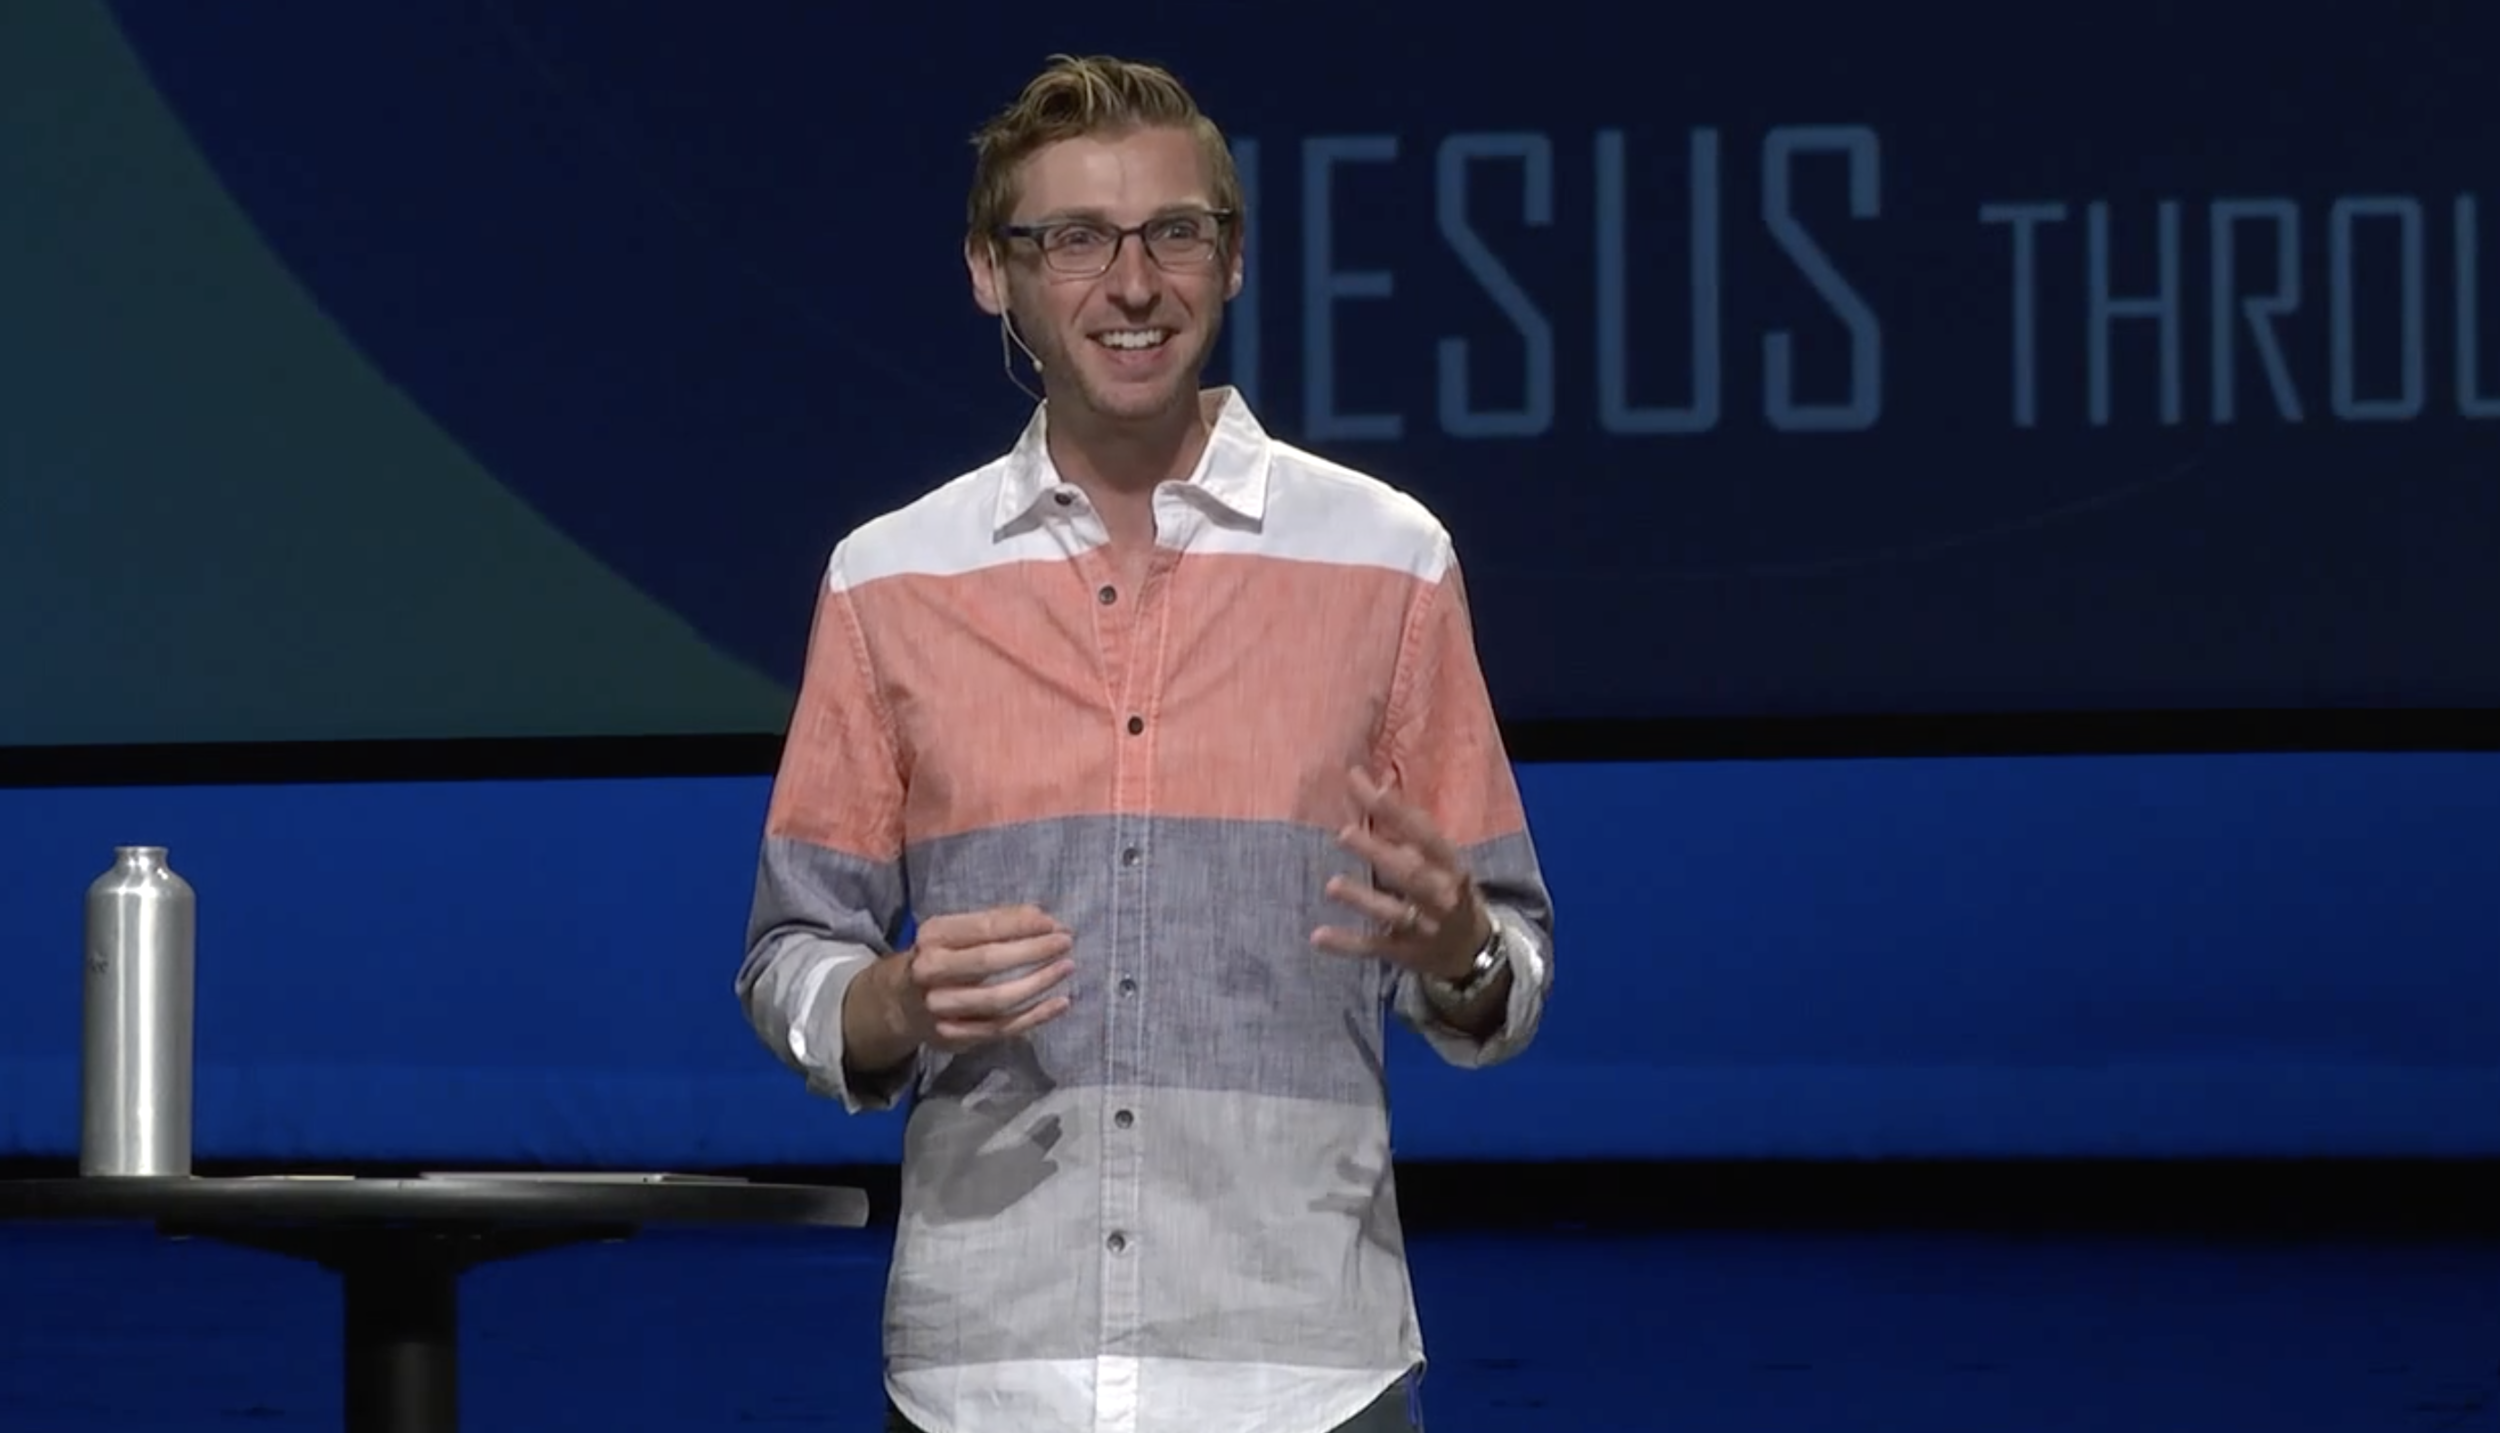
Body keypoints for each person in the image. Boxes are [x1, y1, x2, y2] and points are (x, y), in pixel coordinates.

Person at [737, 53, 1555, 1433]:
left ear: (1230, 261)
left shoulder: (1388, 560)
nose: (1132, 284)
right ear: (992, 274)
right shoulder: (891, 580)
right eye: (1075, 240)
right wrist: (893, 1005)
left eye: (1174, 232)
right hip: (991, 1374)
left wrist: (1461, 950)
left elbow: (1506, 965)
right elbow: (791, 955)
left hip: (1303, 1373)